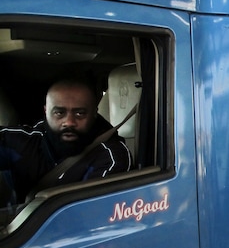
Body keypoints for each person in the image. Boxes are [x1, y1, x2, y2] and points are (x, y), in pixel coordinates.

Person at [0, 77, 132, 205]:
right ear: (46, 111)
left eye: (80, 113)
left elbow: (89, 211)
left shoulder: (110, 155)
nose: (69, 122)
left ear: (94, 114)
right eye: (59, 113)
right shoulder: (25, 140)